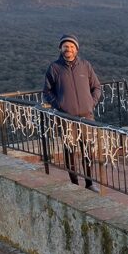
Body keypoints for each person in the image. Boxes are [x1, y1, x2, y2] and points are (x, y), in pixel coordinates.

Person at [43, 34, 103, 189]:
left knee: (88, 151)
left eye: (71, 47)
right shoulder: (54, 68)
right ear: (60, 48)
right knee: (70, 151)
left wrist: (92, 102)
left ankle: (89, 183)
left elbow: (96, 86)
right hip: (66, 119)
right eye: (65, 46)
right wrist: (59, 105)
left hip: (86, 117)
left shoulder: (85, 65)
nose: (68, 49)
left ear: (76, 49)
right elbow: (47, 92)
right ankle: (74, 183)